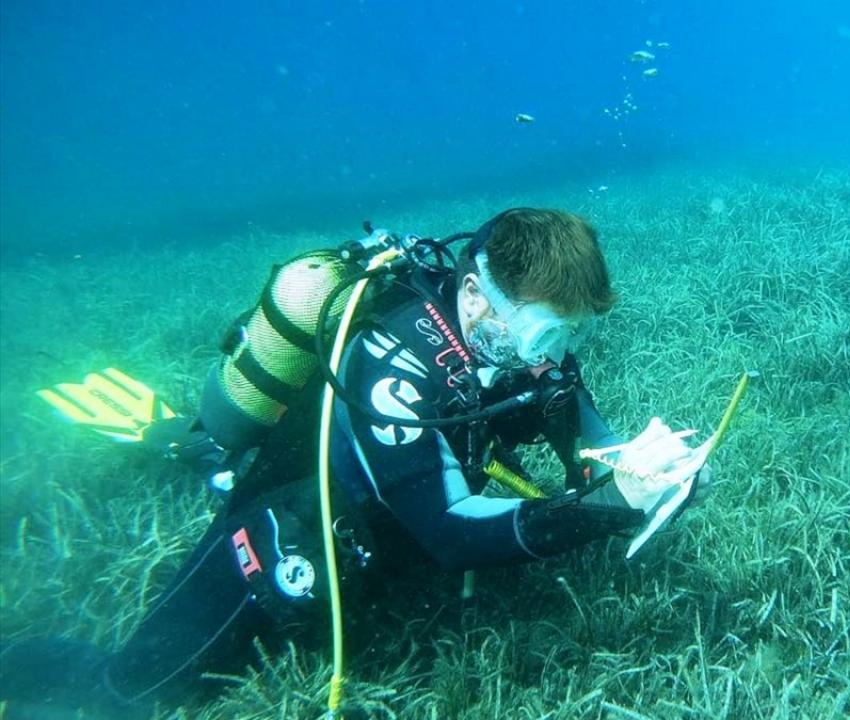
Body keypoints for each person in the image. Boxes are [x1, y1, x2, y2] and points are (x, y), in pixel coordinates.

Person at [0, 208, 707, 718]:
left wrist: (652, 476)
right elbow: (452, 531)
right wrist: (609, 505)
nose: (551, 355)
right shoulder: (392, 369)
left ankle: (199, 450)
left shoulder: (522, 355)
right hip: (287, 523)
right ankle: (203, 453)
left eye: (569, 332)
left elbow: (594, 452)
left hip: (387, 525)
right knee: (130, 691)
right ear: (473, 298)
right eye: (544, 330)